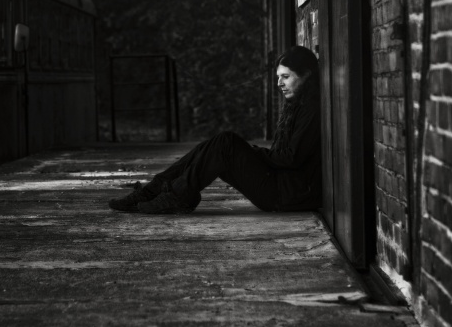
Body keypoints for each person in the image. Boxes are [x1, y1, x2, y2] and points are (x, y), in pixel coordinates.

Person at [109, 45, 322, 215]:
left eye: (286, 77)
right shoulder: (298, 105)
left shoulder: (311, 109)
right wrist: (253, 153)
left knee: (226, 143)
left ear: (306, 75)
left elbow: (291, 158)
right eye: (278, 77)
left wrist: (254, 152)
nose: (279, 83)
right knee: (217, 144)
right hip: (280, 185)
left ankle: (175, 195)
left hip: (286, 194)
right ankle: (153, 190)